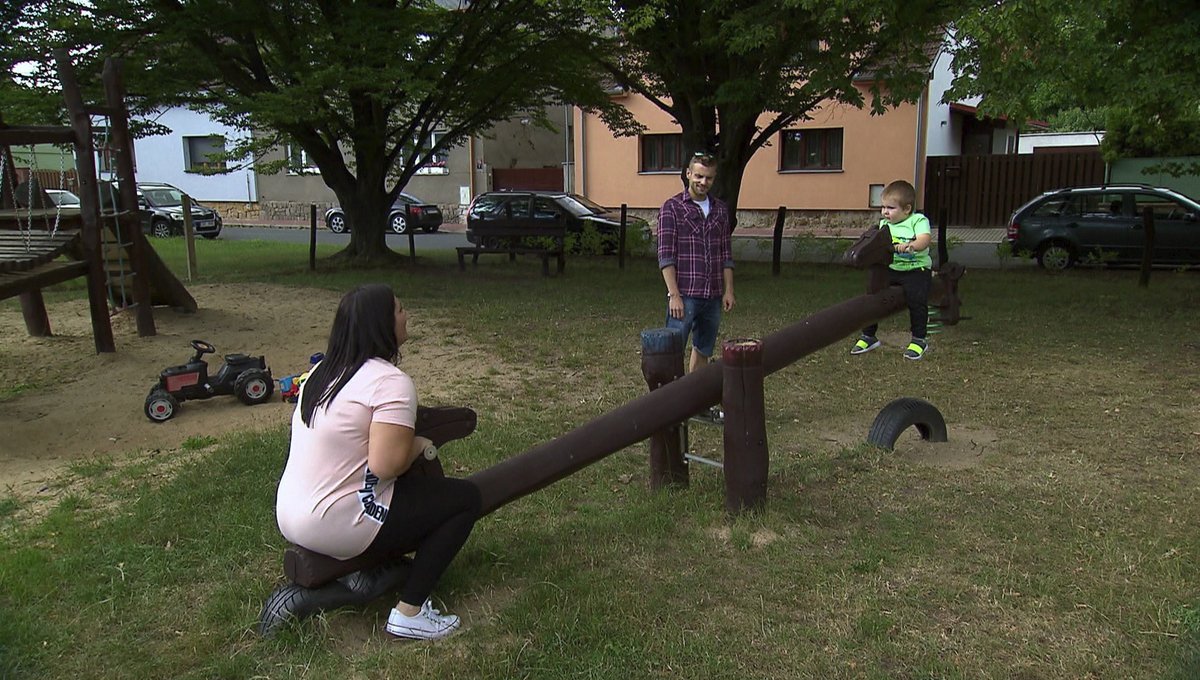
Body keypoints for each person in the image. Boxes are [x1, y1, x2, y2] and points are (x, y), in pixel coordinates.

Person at [276, 284, 481, 640]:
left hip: (291, 513)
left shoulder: (324, 373)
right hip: (335, 521)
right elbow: (387, 465)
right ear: (382, 326)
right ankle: (410, 612)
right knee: (465, 500)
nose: (406, 316)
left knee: (421, 497)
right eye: (400, 310)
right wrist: (416, 444)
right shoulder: (389, 383)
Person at [657, 152, 735, 373]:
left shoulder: (720, 210)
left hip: (713, 296)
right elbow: (666, 256)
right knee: (672, 352)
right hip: (685, 295)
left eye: (708, 178)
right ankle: (671, 403)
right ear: (688, 174)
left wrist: (729, 290)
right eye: (699, 176)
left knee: (704, 350)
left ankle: (695, 402)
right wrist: (674, 295)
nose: (703, 182)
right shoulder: (672, 208)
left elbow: (726, 254)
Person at [850, 180, 933, 360]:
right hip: (891, 268)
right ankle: (868, 335)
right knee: (872, 295)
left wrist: (911, 246)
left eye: (890, 208)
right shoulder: (884, 226)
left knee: (916, 300)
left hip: (915, 269)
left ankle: (919, 340)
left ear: (907, 209)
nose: (885, 212)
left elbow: (924, 240)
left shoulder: (918, 221)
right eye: (883, 207)